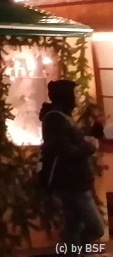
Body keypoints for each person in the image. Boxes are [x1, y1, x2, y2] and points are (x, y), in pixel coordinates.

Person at [39, 79, 105, 245]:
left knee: (73, 227)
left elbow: (74, 142)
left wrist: (94, 132)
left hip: (75, 181)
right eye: (74, 94)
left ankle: (72, 253)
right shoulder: (55, 118)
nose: (76, 98)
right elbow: (64, 151)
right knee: (95, 227)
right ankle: (77, 252)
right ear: (65, 96)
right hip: (71, 183)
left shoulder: (63, 117)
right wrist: (90, 147)